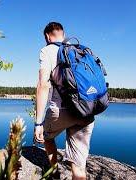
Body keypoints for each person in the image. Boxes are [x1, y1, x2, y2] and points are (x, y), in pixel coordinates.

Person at [35, 22, 95, 180]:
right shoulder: (79, 50)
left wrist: (38, 123)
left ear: (47, 36)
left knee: (46, 137)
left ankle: (54, 172)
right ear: (63, 34)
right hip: (87, 110)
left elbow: (43, 85)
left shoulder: (47, 50)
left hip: (61, 112)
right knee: (78, 166)